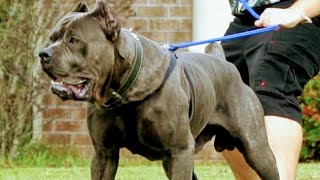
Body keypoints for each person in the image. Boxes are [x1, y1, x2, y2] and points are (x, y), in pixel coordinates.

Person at [221, 0, 320, 179]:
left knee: (270, 83)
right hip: (246, 17)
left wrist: (297, 11)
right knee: (224, 105)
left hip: (299, 12)